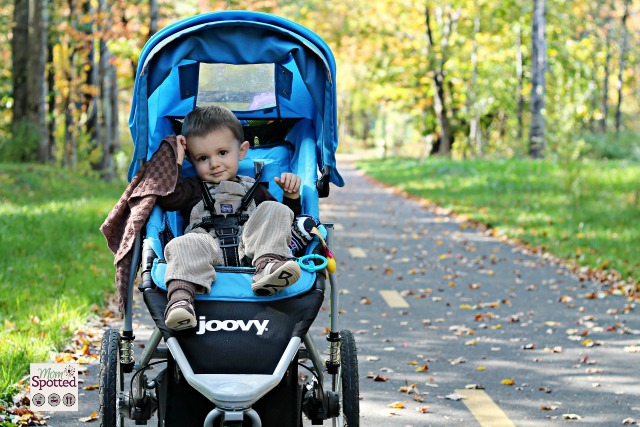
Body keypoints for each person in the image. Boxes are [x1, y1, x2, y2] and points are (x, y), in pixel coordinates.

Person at [157, 105, 302, 331]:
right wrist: (176, 161)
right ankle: (180, 300)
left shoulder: (254, 188)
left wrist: (291, 196)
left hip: (251, 251)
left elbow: (283, 224)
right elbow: (168, 198)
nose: (214, 163)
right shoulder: (193, 188)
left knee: (276, 209)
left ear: (242, 151)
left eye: (222, 153)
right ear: (192, 161)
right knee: (181, 244)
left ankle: (269, 267)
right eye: (203, 158)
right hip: (206, 251)